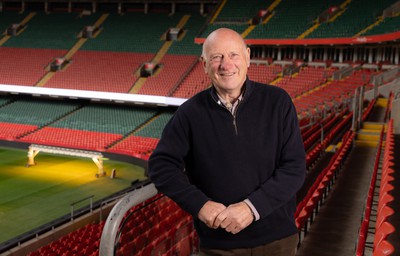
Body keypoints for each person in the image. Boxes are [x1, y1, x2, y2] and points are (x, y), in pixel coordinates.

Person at [148, 28, 306, 256]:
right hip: (219, 246)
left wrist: (252, 208)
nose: (226, 64)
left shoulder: (277, 101)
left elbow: (294, 167)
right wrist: (199, 204)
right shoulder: (189, 113)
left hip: (278, 241)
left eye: (233, 55)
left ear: (248, 57)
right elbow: (161, 165)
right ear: (204, 64)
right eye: (216, 57)